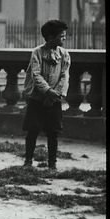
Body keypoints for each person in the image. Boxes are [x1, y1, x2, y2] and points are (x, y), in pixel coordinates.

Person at [21, 20, 70, 170]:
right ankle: (28, 161)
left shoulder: (64, 54)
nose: (64, 38)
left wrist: (55, 95)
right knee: (32, 130)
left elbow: (64, 76)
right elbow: (36, 75)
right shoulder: (37, 52)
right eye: (61, 36)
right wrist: (48, 91)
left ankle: (52, 163)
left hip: (54, 99)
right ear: (50, 37)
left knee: (53, 132)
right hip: (37, 98)